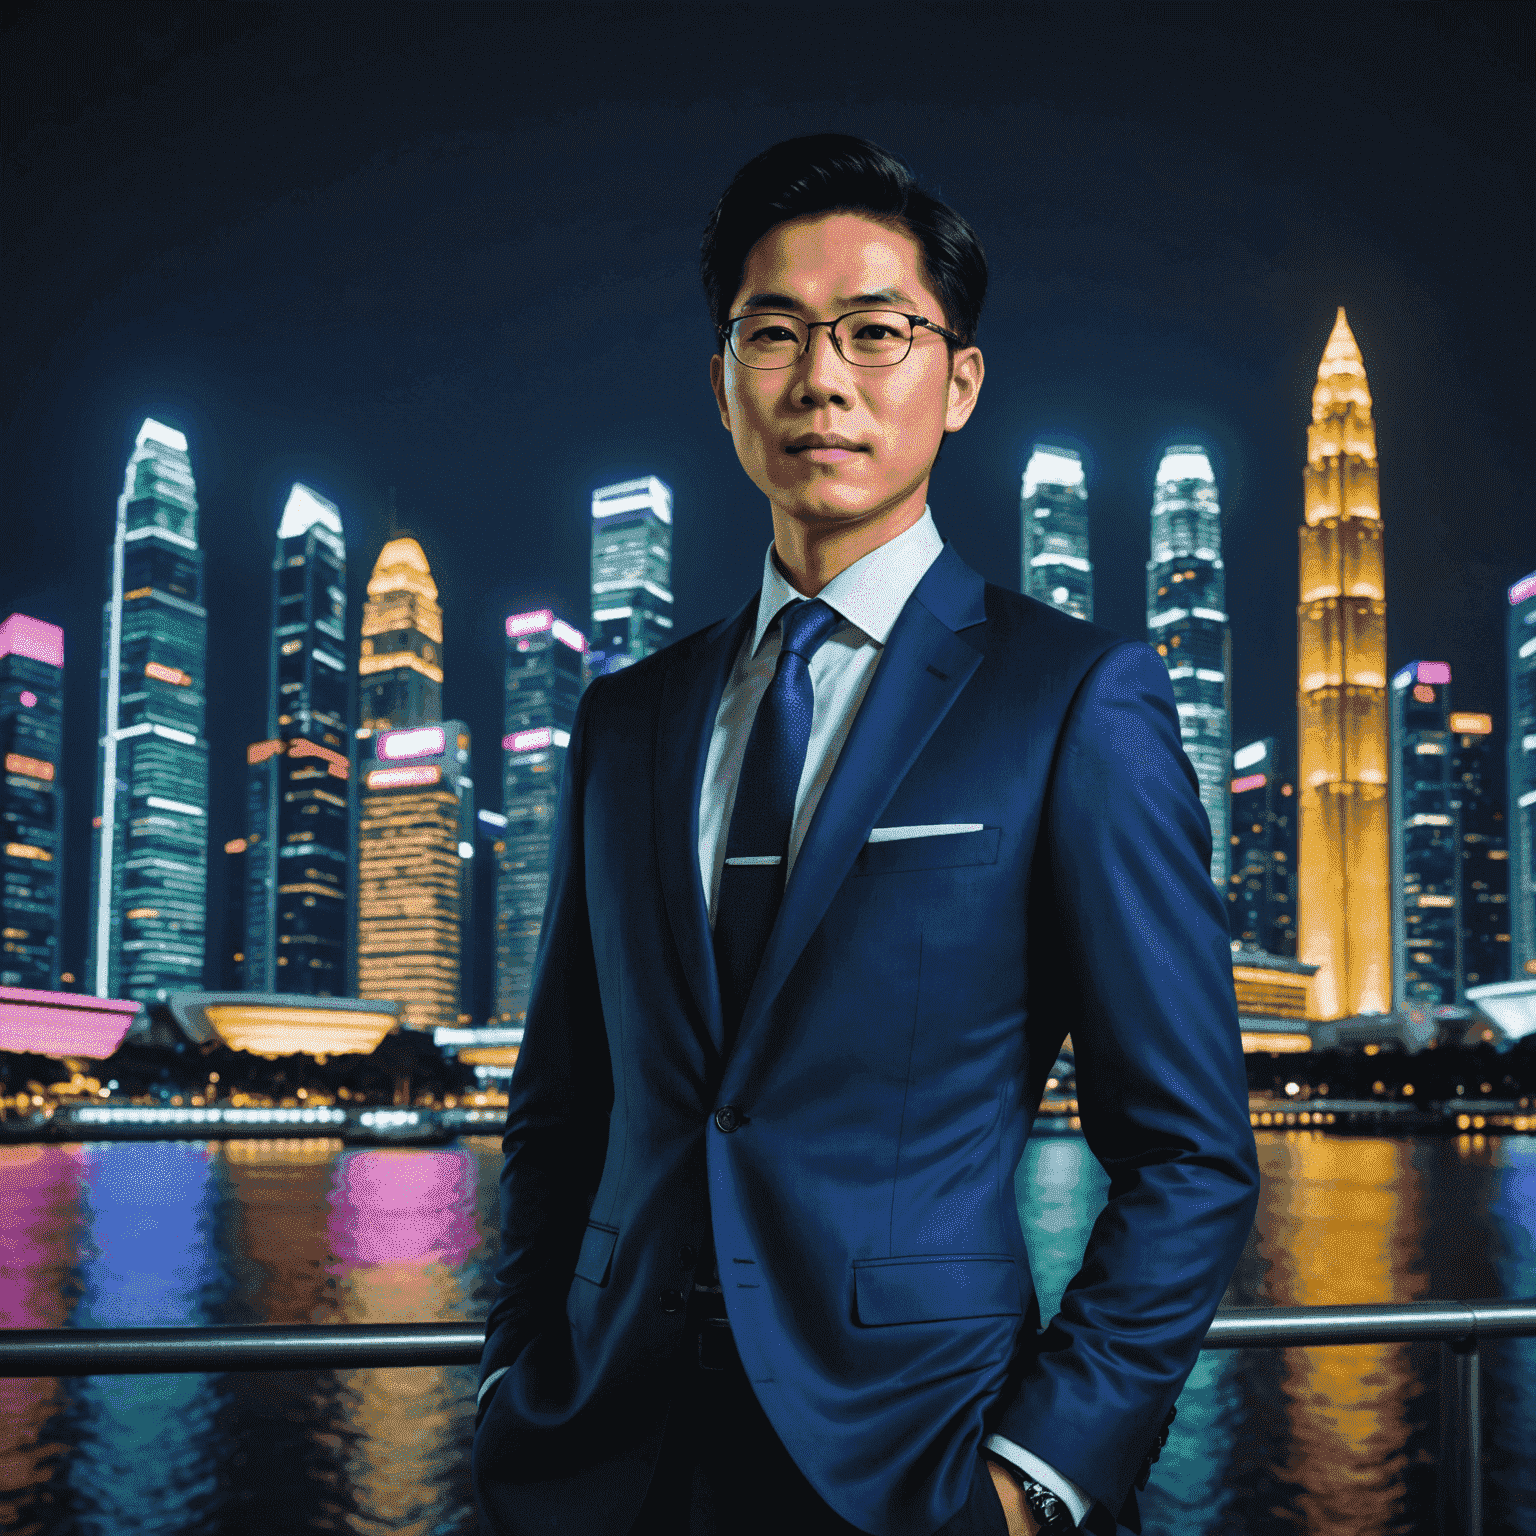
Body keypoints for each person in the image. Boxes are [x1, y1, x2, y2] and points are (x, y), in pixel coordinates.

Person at [472, 134, 1260, 1536]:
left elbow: (1190, 1155)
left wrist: (1036, 1481)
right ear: (722, 386)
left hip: (917, 1465)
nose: (821, 376)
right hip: (599, 1465)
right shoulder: (627, 720)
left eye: (875, 331)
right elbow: (564, 1110)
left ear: (958, 380)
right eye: (772, 333)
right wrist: (509, 1376)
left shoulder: (1074, 699)